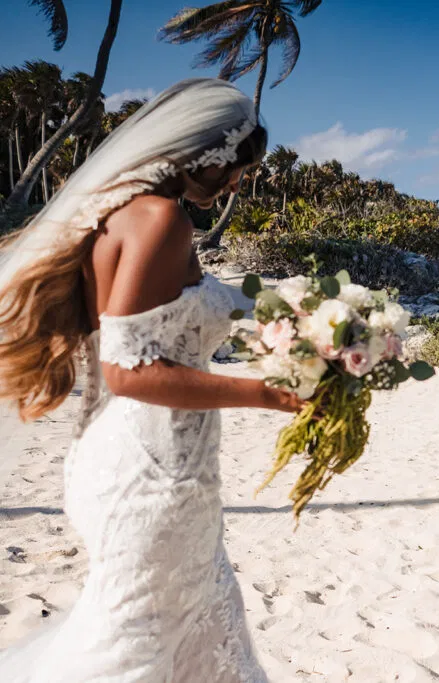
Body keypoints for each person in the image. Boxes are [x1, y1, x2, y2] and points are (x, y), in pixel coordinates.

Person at [0, 78, 304, 682]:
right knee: (136, 646)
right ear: (206, 156)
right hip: (152, 471)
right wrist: (269, 395)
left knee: (179, 626)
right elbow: (129, 370)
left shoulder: (113, 216)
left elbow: (161, 326)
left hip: (126, 460)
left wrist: (291, 317)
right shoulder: (162, 220)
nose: (240, 182)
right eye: (238, 168)